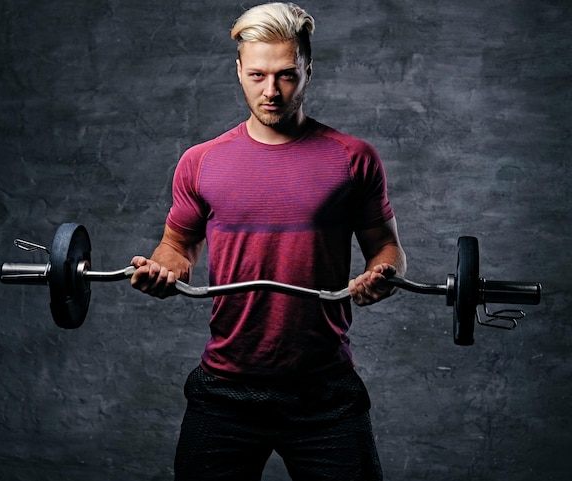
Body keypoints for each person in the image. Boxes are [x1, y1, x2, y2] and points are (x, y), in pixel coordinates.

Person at [131, 3, 407, 480]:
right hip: (225, 388)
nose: (272, 91)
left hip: (323, 389)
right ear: (238, 69)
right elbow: (176, 246)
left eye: (286, 75)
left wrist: (382, 275)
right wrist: (164, 268)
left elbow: (387, 249)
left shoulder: (353, 159)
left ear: (307, 69)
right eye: (257, 75)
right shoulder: (202, 162)